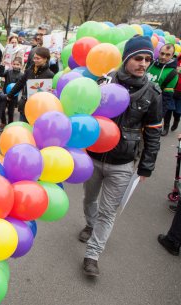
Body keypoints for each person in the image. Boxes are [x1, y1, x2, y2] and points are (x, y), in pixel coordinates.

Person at [79, 36, 162, 277]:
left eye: (148, 59)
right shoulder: (104, 81)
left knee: (109, 211)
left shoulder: (152, 92)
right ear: (126, 58)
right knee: (89, 199)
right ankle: (89, 224)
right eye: (138, 58)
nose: (143, 63)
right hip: (94, 157)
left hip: (123, 163)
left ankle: (92, 255)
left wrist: (146, 166)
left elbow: (154, 133)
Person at [6, 47, 54, 122]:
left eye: (38, 58)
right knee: (23, 129)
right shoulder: (29, 70)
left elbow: (52, 93)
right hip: (25, 105)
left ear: (45, 59)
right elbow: (20, 83)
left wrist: (52, 91)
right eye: (34, 58)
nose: (35, 60)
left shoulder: (50, 75)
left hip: (40, 108)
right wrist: (10, 95)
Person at [146, 43, 178, 136]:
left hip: (152, 107)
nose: (163, 57)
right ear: (159, 52)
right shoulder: (149, 63)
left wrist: (159, 117)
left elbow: (166, 98)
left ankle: (168, 125)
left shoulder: (172, 73)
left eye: (167, 55)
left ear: (172, 56)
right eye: (162, 53)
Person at [0, 57, 23, 130]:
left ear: (21, 65)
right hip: (5, 94)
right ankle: (3, 123)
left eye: (18, 64)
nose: (16, 66)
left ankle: (10, 125)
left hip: (14, 96)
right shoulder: (8, 72)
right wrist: (2, 66)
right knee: (2, 110)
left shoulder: (22, 75)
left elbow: (22, 85)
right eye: (14, 64)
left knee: (10, 112)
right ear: (12, 64)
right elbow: (0, 74)